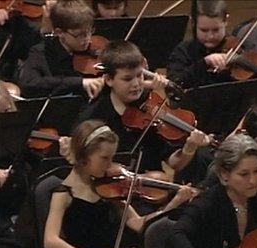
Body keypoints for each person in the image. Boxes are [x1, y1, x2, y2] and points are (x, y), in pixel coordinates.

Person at [44, 120, 195, 248]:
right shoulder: (63, 193)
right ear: (84, 155)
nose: (110, 164)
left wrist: (174, 203)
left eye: (112, 157)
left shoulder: (110, 187)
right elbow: (50, 241)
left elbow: (138, 223)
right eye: (104, 158)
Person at [76, 40, 210, 180]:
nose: (136, 84)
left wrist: (189, 148)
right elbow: (82, 162)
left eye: (139, 76)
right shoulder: (94, 115)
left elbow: (174, 163)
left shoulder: (152, 108)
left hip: (151, 190)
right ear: (109, 79)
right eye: (127, 79)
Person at [18, 0, 104, 99]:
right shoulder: (41, 52)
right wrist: (79, 82)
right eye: (80, 35)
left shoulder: (95, 49)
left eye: (89, 31)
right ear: (59, 32)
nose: (87, 39)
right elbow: (29, 84)